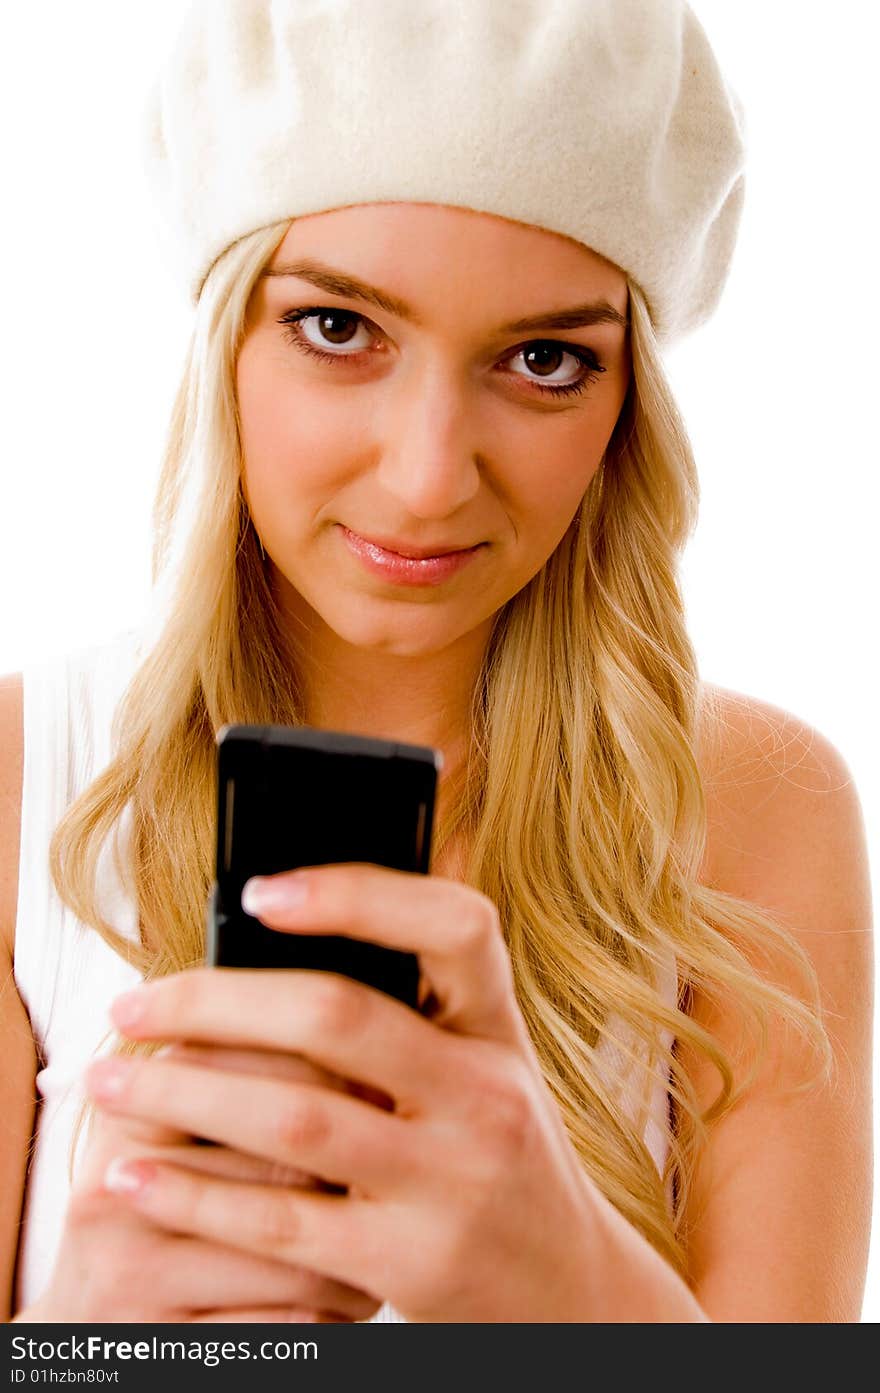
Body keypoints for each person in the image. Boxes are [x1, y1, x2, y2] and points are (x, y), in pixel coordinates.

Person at [1, 0, 873, 1323]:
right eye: (340, 329)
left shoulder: (759, 803)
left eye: (543, 359)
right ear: (223, 339)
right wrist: (88, 1346)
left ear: (629, 398)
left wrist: (576, 1283)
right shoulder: (23, 781)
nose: (424, 478)